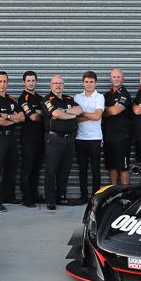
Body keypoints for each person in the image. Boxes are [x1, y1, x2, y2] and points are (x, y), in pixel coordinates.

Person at [43, 75, 83, 210]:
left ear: (64, 85)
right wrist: (70, 114)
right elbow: (55, 113)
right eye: (55, 83)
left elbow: (80, 110)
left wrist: (65, 111)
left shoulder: (69, 99)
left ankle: (61, 197)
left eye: (60, 83)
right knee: (51, 170)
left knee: (65, 170)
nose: (58, 86)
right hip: (54, 139)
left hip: (69, 139)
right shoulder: (47, 99)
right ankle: (50, 200)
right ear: (51, 85)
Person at [0, 71, 24, 211]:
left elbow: (22, 118)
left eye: (5, 81)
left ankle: (9, 196)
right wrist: (12, 117)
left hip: (12, 138)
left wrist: (6, 116)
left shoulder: (12, 100)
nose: (2, 84)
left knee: (12, 167)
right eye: (0, 81)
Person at [74, 71, 105, 203]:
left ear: (95, 83)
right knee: (82, 169)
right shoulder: (77, 97)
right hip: (80, 138)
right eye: (86, 82)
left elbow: (98, 116)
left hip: (95, 138)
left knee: (95, 169)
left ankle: (95, 198)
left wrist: (82, 113)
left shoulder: (99, 97)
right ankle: (83, 196)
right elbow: (74, 118)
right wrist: (89, 115)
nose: (89, 84)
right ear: (83, 83)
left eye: (91, 82)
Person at [18, 71, 45, 206]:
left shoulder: (40, 98)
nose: (31, 83)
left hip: (41, 138)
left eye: (33, 80)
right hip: (28, 138)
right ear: (24, 83)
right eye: (28, 81)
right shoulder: (23, 98)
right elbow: (33, 117)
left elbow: (46, 114)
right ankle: (26, 197)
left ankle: (34, 194)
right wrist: (42, 113)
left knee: (36, 168)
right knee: (27, 168)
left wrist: (38, 112)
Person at [102, 68, 133, 185]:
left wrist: (107, 109)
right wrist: (107, 110)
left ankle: (125, 195)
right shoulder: (106, 95)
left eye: (118, 77)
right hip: (108, 137)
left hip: (122, 137)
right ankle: (113, 193)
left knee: (123, 168)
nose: (116, 79)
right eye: (114, 77)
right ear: (110, 79)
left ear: (123, 79)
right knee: (112, 167)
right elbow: (101, 113)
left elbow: (115, 111)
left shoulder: (125, 94)